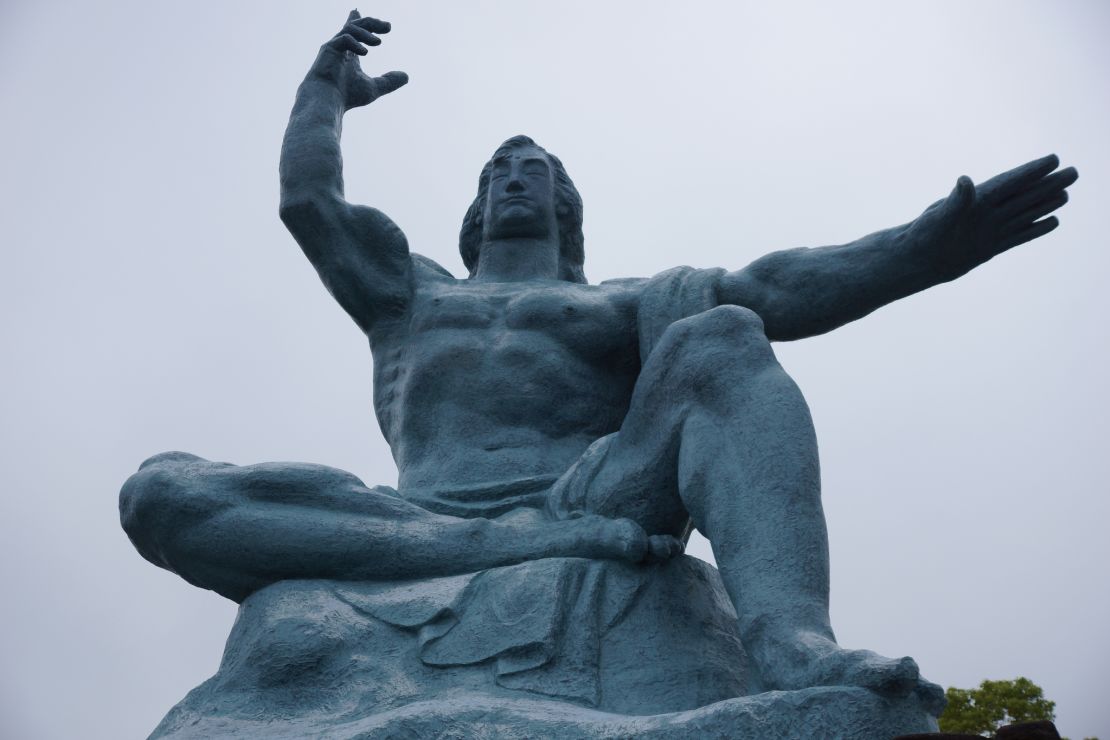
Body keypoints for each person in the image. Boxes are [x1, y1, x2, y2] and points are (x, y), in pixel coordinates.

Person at [120, 10, 1076, 701]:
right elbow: (309, 203)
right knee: (162, 494)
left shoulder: (627, 303)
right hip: (416, 520)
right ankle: (497, 547)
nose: (513, 180)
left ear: (567, 208)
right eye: (497, 173)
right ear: (474, 210)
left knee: (723, 338)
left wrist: (923, 249)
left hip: (591, 499)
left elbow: (781, 287)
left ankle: (790, 642)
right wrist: (325, 87)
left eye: (535, 172)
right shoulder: (409, 293)